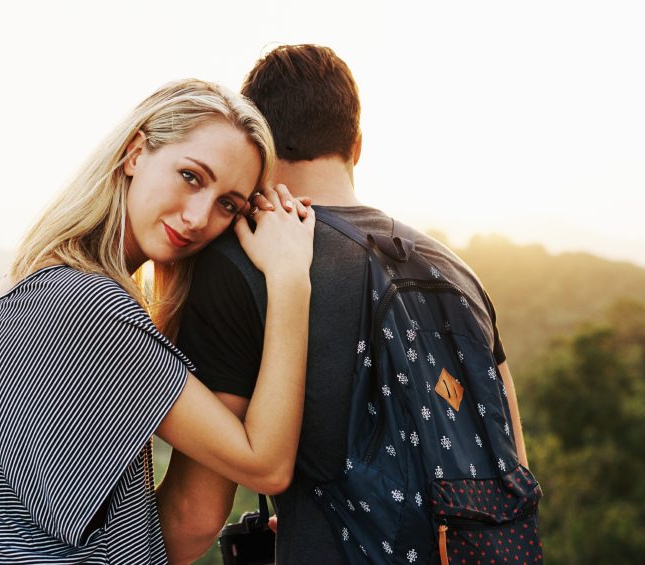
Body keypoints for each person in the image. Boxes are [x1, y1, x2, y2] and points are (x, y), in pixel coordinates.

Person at [158, 45, 529, 564]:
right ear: (357, 144)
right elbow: (508, 463)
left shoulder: (241, 263)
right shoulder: (455, 272)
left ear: (259, 146)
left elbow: (192, 519)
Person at [0, 79, 316, 563]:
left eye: (228, 205)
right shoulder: (83, 304)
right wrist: (289, 280)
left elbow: (160, 532)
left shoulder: (34, 283)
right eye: (192, 176)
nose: (200, 217)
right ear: (135, 152)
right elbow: (266, 466)